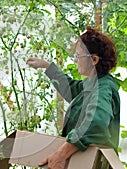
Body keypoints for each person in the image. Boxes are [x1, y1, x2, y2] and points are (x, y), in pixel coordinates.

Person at [26, 27, 120, 169]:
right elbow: (71, 89)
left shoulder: (103, 89)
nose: (75, 61)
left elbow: (96, 122)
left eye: (78, 56)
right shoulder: (93, 83)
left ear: (94, 60)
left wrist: (61, 153)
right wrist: (47, 67)